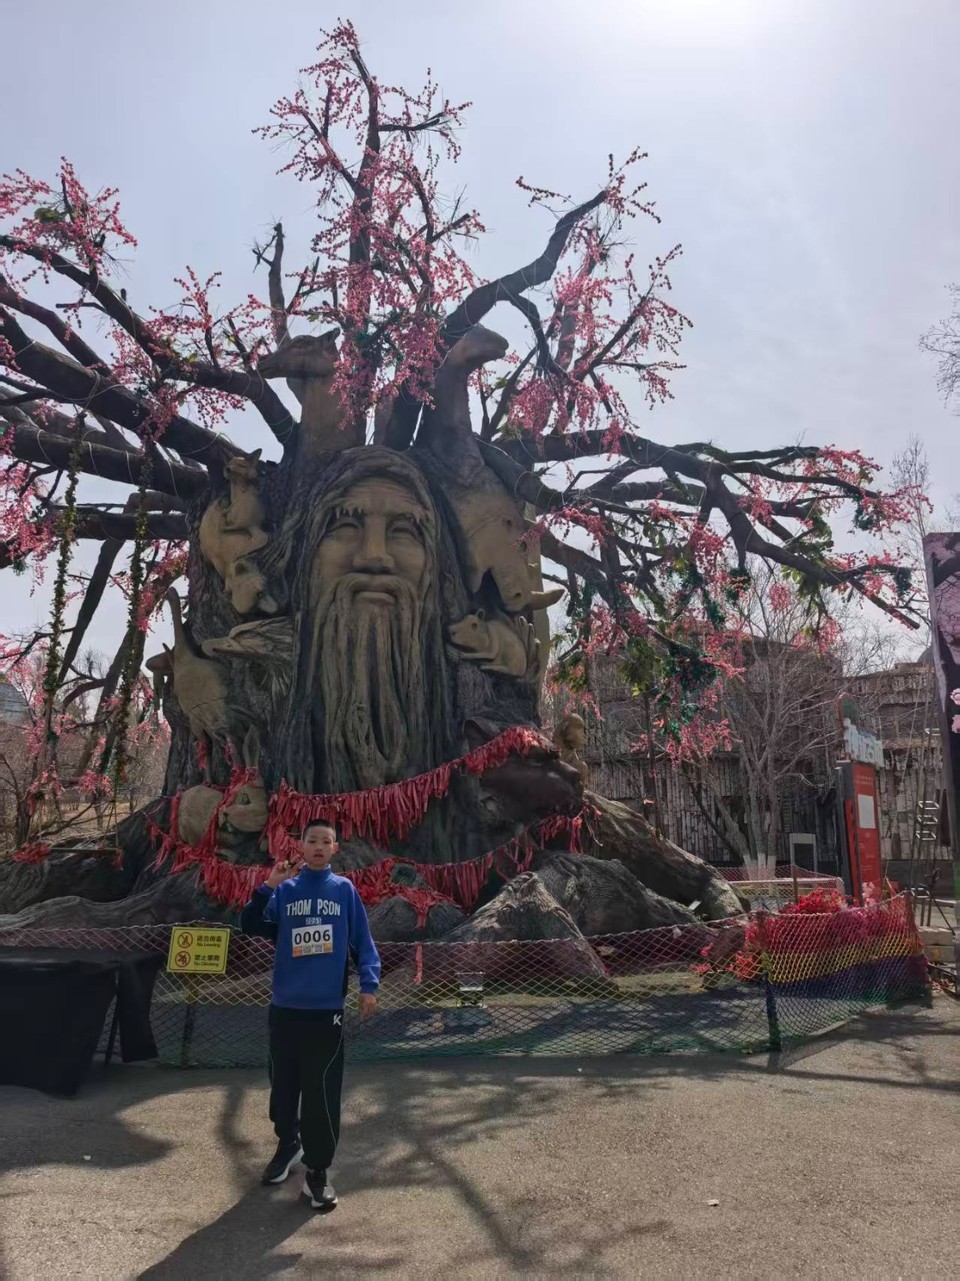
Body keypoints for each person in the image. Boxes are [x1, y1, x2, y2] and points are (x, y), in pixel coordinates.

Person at [241, 819, 380, 1211]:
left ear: (335, 849)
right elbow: (250, 924)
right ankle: (288, 1144)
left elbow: (363, 941)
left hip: (325, 1011)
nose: (318, 846)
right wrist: (268, 886)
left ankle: (317, 1170)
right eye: (312, 840)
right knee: (283, 1087)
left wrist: (369, 985)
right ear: (300, 847)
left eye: (326, 841)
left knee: (321, 1092)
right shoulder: (285, 892)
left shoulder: (344, 891)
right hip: (285, 1009)